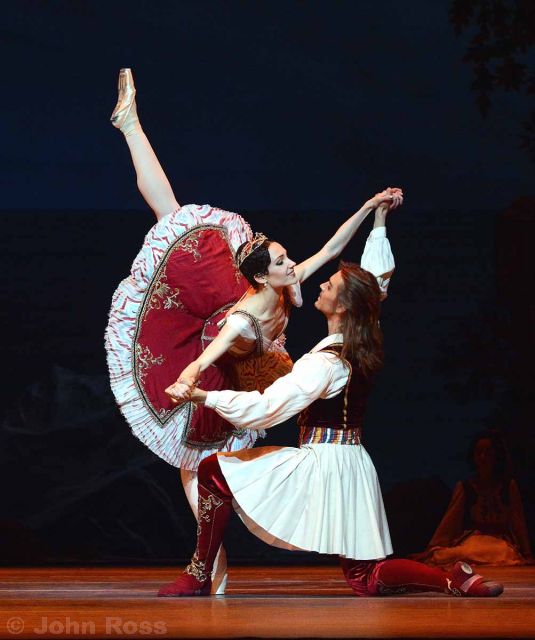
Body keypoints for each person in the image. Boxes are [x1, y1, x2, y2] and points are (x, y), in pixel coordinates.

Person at [105, 68, 401, 593]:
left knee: (169, 213)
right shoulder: (244, 314)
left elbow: (333, 247)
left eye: (287, 258)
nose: (293, 263)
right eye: (283, 260)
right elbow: (214, 350)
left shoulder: (287, 281)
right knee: (170, 218)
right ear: (265, 275)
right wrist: (190, 380)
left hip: (251, 363)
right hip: (219, 362)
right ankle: (211, 571)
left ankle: (207, 569)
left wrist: (368, 209)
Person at [159, 263, 504, 598]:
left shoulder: (326, 363)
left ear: (342, 306)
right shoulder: (362, 344)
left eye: (331, 285)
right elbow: (373, 288)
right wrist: (377, 230)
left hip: (323, 463)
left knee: (213, 470)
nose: (322, 285)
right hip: (352, 464)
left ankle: (199, 573)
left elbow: (266, 408)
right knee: (365, 578)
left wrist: (204, 396)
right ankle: (452, 579)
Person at [416, 430, 532, 567]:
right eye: (479, 452)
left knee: (500, 553)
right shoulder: (466, 487)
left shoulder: (508, 486)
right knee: (464, 553)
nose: (483, 457)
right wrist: (431, 549)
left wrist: (527, 552)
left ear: (496, 456)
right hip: (473, 540)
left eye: (488, 453)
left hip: (499, 541)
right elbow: (450, 520)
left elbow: (518, 521)